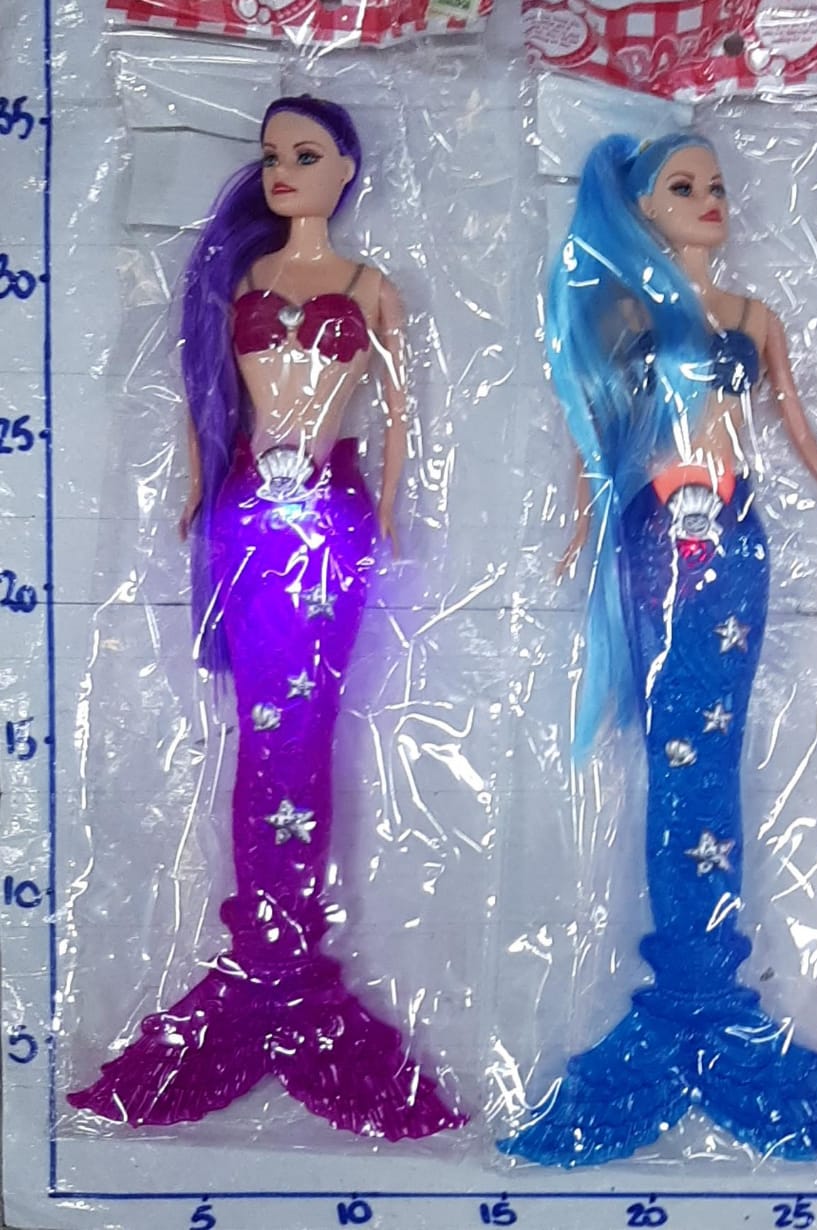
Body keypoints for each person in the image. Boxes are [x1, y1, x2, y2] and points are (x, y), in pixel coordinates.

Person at [68, 97, 462, 1139]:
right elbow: (206, 398)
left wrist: (389, 509)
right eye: (272, 155)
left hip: (329, 522)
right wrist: (199, 495)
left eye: (306, 154)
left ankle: (284, 960)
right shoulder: (239, 281)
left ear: (347, 168)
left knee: (306, 727)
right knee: (261, 729)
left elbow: (398, 416)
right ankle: (264, 957)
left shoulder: (371, 288)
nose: (282, 170)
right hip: (250, 517)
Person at [499, 132, 817, 1166]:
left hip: (736, 542)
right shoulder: (624, 319)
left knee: (713, 750)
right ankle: (690, 987)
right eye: (684, 185)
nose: (710, 199)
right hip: (657, 538)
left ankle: (706, 985)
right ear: (641, 207)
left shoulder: (753, 317)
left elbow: (796, 433)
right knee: (676, 754)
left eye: (716, 184)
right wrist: (582, 527)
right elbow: (596, 434)